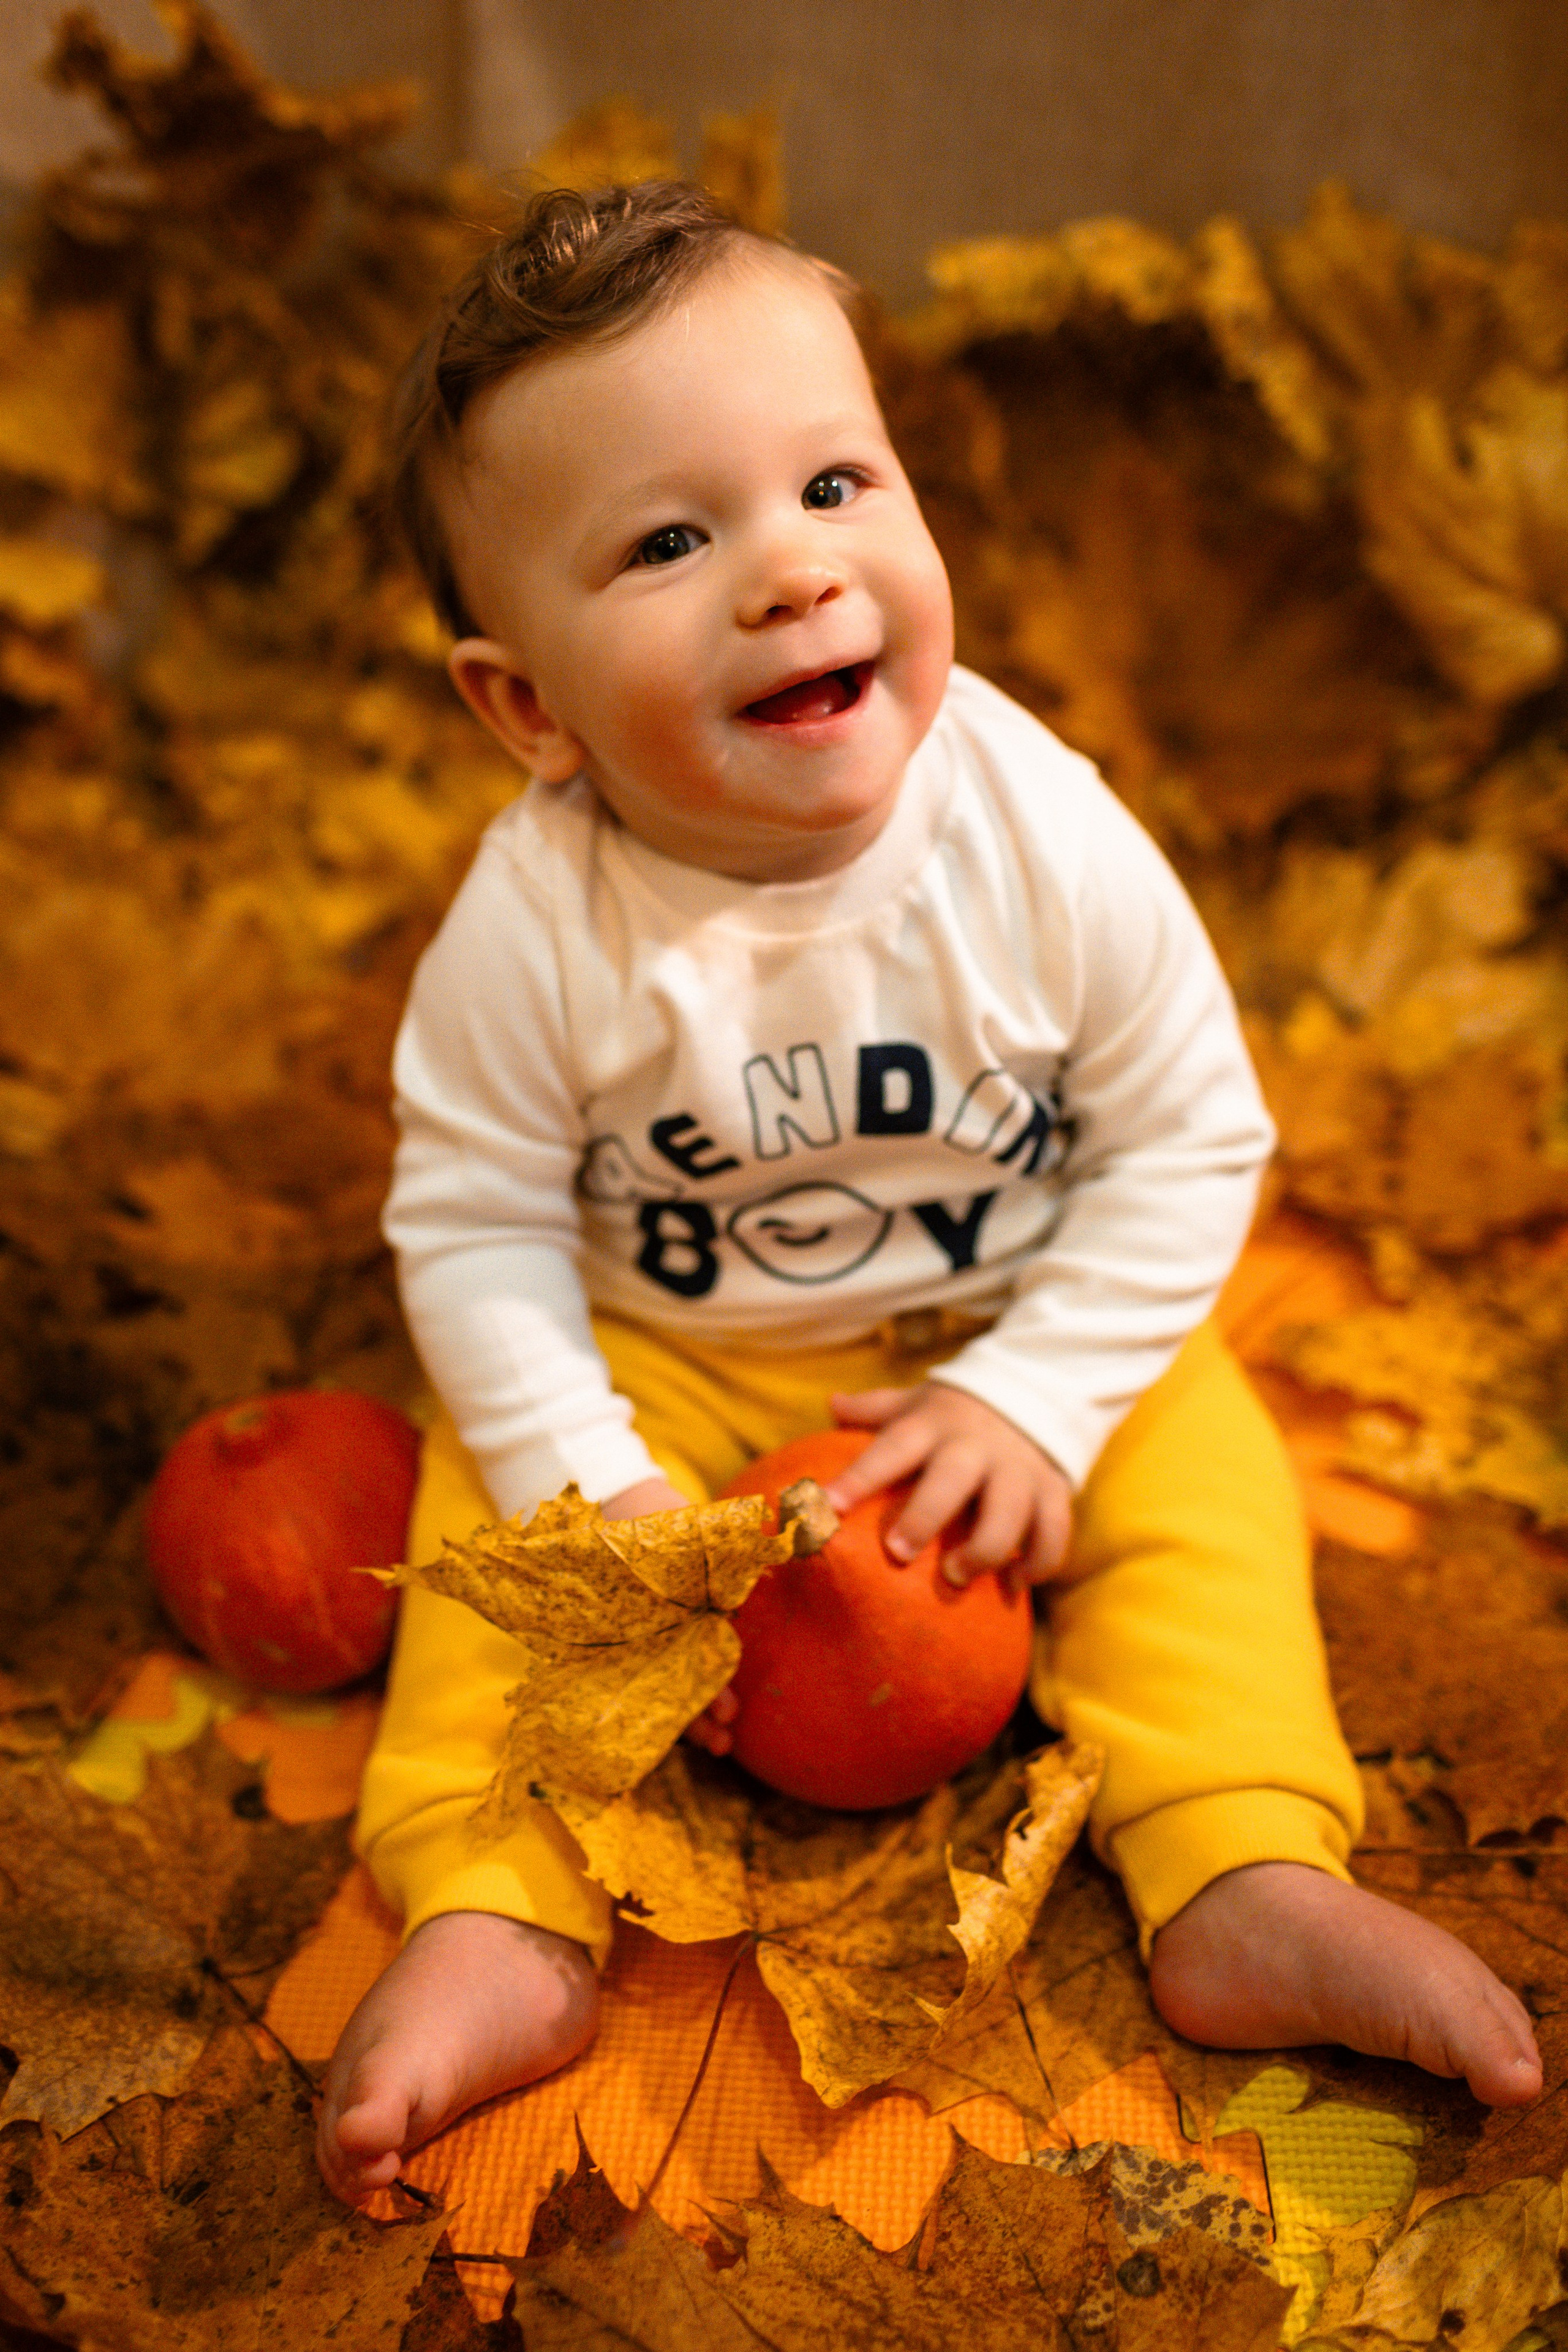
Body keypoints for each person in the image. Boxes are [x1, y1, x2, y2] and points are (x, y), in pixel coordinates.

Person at [315, 181, 1541, 2204]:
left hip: (1010, 1312)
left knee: (1204, 1489)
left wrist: (1045, 1397)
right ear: (524, 706)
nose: (793, 574)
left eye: (832, 479)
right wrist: (591, 1475)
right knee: (488, 1540)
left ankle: (1238, 1866)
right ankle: (498, 1911)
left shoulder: (1037, 832)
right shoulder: (540, 919)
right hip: (682, 1355)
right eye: (670, 540)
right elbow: (475, 1225)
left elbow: (1192, 1138)